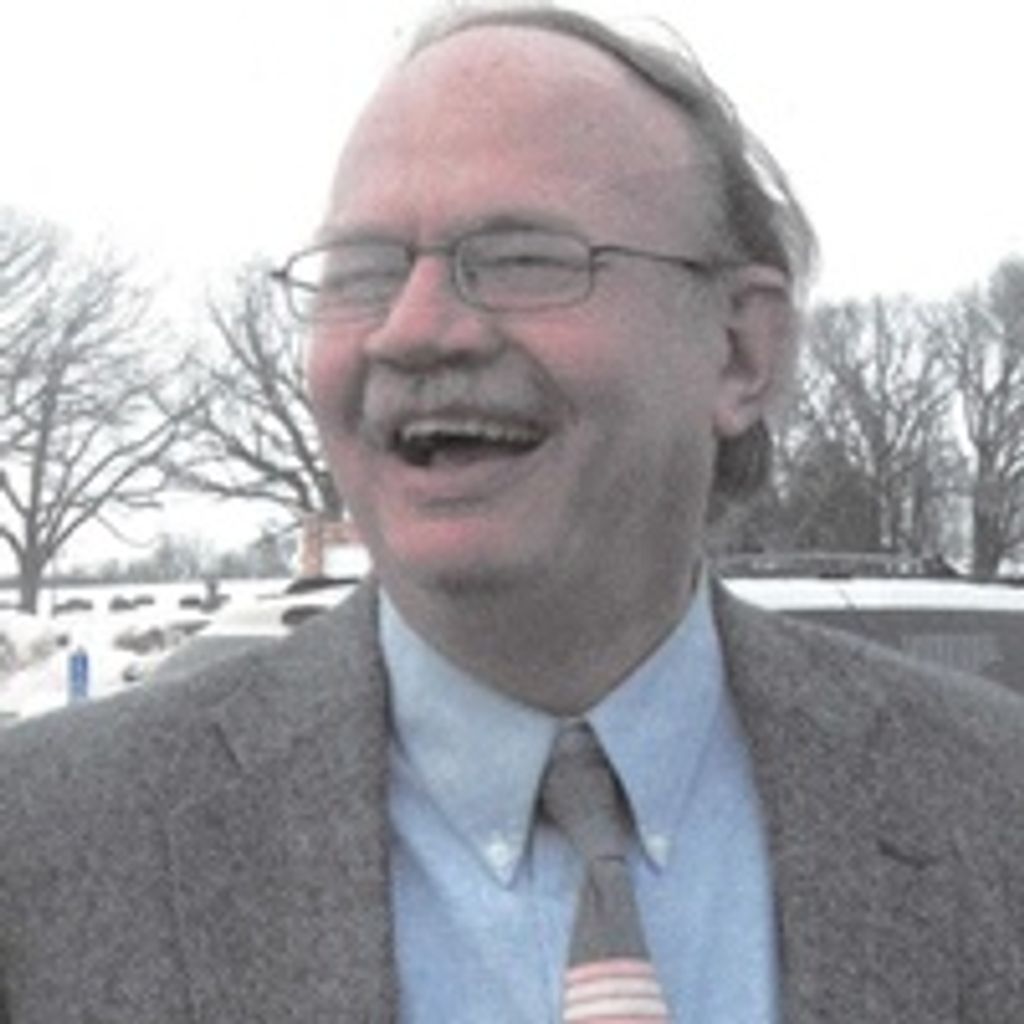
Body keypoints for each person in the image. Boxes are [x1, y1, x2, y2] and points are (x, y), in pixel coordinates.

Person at [1, 4, 1022, 1022]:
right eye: (363, 272)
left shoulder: (995, 803)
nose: (412, 330)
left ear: (739, 349)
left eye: (523, 258)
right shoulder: (39, 847)